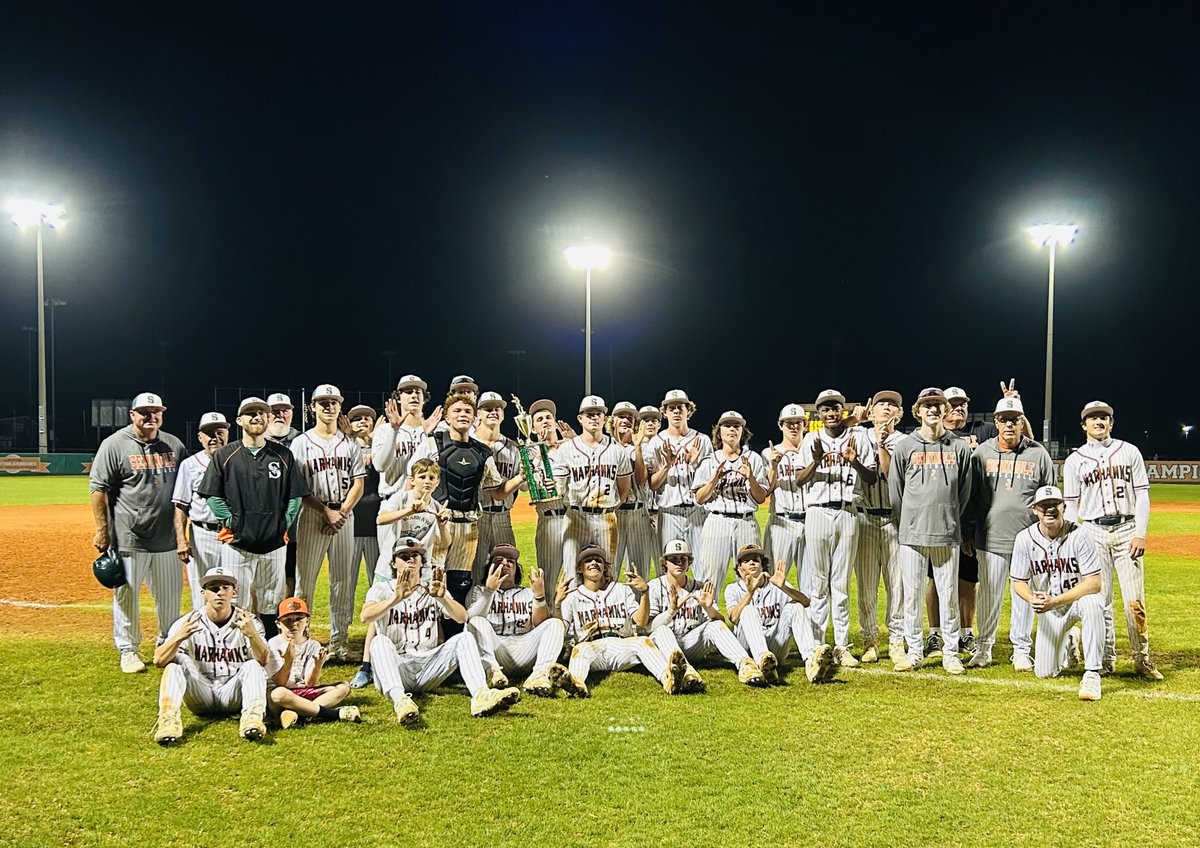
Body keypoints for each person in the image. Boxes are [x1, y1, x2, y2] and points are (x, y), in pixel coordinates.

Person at [362, 537, 521, 724]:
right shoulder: (381, 589)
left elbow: (462, 618)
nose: (411, 559)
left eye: (415, 555)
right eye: (404, 556)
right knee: (379, 642)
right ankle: (401, 702)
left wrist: (442, 599)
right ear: (393, 563)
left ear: (422, 562)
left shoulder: (433, 589)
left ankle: (481, 695)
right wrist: (395, 599)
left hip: (428, 666)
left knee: (464, 638)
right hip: (397, 668)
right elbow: (365, 616)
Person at [90, 391, 187, 673]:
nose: (150, 416)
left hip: (167, 538)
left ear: (162, 414)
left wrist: (183, 533)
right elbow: (98, 490)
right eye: (144, 412)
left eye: (155, 411)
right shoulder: (115, 445)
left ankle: (167, 645)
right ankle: (128, 650)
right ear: (132, 415)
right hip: (129, 537)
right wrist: (102, 530)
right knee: (126, 596)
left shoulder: (174, 444)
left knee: (170, 598)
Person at [1063, 400, 1161, 680]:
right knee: (1100, 601)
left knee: (1134, 601)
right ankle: (1106, 660)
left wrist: (1140, 533)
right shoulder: (1075, 460)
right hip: (1092, 531)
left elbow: (1142, 495)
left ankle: (1142, 659)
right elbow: (1071, 505)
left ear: (1111, 423)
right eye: (1092, 418)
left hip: (1127, 528)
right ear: (1084, 425)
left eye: (1104, 417)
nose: (1098, 421)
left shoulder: (1129, 451)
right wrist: (1074, 537)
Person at [199, 397, 309, 640]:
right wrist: (232, 522)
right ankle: (235, 648)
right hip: (238, 543)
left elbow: (295, 496)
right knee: (238, 599)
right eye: (250, 413)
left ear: (268, 419)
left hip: (274, 542)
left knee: (272, 598)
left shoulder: (283, 455)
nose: (257, 417)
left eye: (261, 413)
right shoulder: (225, 455)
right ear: (239, 420)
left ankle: (270, 647)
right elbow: (212, 494)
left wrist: (283, 524)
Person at [888, 388, 974, 675]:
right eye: (927, 405)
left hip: (946, 532)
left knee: (948, 594)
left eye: (938, 405)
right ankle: (914, 651)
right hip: (911, 534)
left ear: (945, 410)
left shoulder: (959, 447)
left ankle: (951, 652)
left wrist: (949, 517)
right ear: (918, 410)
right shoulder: (904, 447)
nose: (933, 410)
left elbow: (964, 491)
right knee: (910, 594)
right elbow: (896, 493)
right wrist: (908, 520)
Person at [795, 389, 878, 668]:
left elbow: (872, 478)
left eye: (835, 408)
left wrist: (854, 460)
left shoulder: (860, 437)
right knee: (818, 585)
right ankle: (818, 647)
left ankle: (842, 647)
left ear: (842, 411)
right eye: (826, 409)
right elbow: (798, 480)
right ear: (819, 413)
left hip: (847, 512)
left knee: (840, 585)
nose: (831, 413)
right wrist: (816, 460)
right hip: (817, 512)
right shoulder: (810, 439)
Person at [970, 396, 1055, 669]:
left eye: (1015, 419)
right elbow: (971, 497)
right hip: (990, 537)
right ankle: (983, 648)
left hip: (1028, 540)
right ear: (996, 422)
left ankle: (1021, 649)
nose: (1009, 424)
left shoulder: (1038, 453)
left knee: (1024, 596)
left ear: (1022, 422)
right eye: (1004, 419)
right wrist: (968, 532)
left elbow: (1050, 496)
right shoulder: (981, 453)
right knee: (989, 595)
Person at [352, 457, 451, 690]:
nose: (427, 481)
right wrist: (408, 510)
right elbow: (380, 518)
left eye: (432, 478)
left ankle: (432, 660)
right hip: (390, 565)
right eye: (422, 477)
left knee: (430, 610)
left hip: (420, 567)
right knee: (379, 613)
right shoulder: (399, 498)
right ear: (412, 479)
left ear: (437, 482)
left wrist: (444, 523)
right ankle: (366, 666)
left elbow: (445, 542)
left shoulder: (436, 506)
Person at [151, 566, 273, 745]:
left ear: (234, 592)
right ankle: (168, 723)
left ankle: (252, 720)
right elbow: (158, 660)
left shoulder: (249, 621)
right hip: (201, 692)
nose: (220, 593)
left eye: (226, 588)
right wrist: (178, 637)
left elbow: (263, 660)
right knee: (175, 664)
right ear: (203, 593)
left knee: (252, 666)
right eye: (214, 588)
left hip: (232, 693)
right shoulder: (188, 622)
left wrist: (252, 634)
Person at [290, 384, 367, 660]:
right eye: (322, 402)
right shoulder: (300, 442)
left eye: (333, 402)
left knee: (343, 582)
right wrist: (326, 512)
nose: (327, 406)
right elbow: (299, 486)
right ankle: (302, 641)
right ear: (312, 407)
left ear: (339, 405)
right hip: (312, 515)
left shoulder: (350, 443)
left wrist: (341, 512)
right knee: (304, 582)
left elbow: (359, 482)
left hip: (344, 516)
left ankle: (339, 641)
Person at [411, 391, 506, 612]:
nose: (463, 415)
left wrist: (524, 475)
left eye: (468, 411)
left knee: (460, 580)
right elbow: (413, 481)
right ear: (447, 417)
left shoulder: (482, 452)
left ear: (474, 418)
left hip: (468, 524)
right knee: (431, 575)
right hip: (438, 521)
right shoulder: (433, 444)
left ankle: (456, 633)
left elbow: (497, 491)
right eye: (457, 411)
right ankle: (431, 632)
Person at [1010, 486, 1106, 701]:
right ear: (1035, 509)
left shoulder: (1080, 534)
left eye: (1055, 505)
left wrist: (1055, 601)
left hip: (1076, 601)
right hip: (1050, 609)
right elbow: (1018, 581)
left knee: (1093, 604)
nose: (1050, 510)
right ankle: (1070, 639)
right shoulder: (1024, 539)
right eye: (1044, 505)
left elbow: (1094, 583)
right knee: (1045, 672)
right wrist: (1032, 598)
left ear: (1064, 507)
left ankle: (1092, 673)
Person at [557, 545, 687, 697]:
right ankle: (576, 685)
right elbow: (561, 630)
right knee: (580, 650)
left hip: (621, 645)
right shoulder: (572, 597)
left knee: (642, 642)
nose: (594, 563)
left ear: (605, 567)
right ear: (580, 569)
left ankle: (669, 679)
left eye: (598, 560)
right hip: (591, 647)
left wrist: (644, 593)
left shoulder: (621, 590)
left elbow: (641, 622)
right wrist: (558, 604)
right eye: (588, 560)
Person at [646, 540, 767, 690]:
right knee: (662, 631)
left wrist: (708, 608)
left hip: (689, 643)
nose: (679, 563)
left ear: (689, 562)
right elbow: (649, 627)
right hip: (663, 646)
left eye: (683, 558)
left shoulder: (700, 587)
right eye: (673, 559)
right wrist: (671, 611)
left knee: (714, 625)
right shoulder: (654, 586)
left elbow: (720, 622)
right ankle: (686, 671)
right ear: (665, 563)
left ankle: (745, 665)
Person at [465, 544, 571, 696]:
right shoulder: (478, 591)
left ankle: (539, 675)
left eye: (510, 561)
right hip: (495, 650)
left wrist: (539, 596)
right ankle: (492, 672)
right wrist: (489, 592)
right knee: (476, 621)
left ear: (516, 569)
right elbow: (469, 620)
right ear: (490, 567)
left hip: (524, 648)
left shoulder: (528, 593)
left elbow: (540, 624)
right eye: (499, 560)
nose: (505, 563)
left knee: (555, 623)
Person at [723, 544, 836, 684]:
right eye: (746, 561)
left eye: (755, 559)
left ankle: (811, 660)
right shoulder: (733, 589)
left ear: (762, 564)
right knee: (747, 610)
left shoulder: (776, 585)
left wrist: (783, 587)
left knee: (795, 607)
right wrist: (750, 592)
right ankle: (761, 660)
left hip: (775, 648)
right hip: (747, 649)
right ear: (740, 568)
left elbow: (806, 602)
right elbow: (733, 618)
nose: (752, 562)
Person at [851, 391, 906, 664]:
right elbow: (831, 430)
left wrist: (882, 442)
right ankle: (870, 640)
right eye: (882, 404)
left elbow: (888, 475)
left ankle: (897, 640)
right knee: (866, 586)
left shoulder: (905, 442)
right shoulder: (858, 436)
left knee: (898, 586)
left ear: (900, 414)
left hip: (894, 520)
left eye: (893, 405)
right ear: (871, 411)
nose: (887, 408)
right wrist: (853, 419)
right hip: (865, 518)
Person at [554, 395, 633, 581]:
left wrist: (610, 509)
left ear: (605, 418)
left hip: (607, 519)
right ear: (580, 418)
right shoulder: (566, 449)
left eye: (599, 413)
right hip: (576, 516)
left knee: (607, 574)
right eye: (589, 414)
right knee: (571, 575)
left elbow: (624, 490)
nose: (594, 418)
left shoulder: (617, 450)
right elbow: (559, 489)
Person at [692, 410, 769, 589]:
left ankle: (748, 616)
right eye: (727, 425)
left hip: (746, 522)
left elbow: (760, 497)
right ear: (719, 431)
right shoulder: (709, 460)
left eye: (737, 426)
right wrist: (714, 479)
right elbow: (700, 498)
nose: (732, 429)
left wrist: (750, 478)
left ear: (743, 431)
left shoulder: (753, 459)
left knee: (751, 578)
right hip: (716, 521)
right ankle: (712, 617)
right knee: (710, 578)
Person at [371, 375, 440, 574]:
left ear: (424, 398)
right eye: (407, 391)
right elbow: (380, 466)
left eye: (418, 391)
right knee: (387, 567)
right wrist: (394, 430)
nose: (413, 395)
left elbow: (428, 470)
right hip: (392, 504)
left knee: (419, 567)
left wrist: (426, 435)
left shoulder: (431, 432)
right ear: (398, 398)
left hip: (421, 506)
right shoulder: (385, 430)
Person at [267, 596, 361, 728]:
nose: (294, 624)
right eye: (288, 620)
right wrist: (288, 661)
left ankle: (297, 714)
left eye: (299, 619)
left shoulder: (313, 645)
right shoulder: (273, 644)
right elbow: (280, 683)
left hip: (303, 692)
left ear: (307, 622)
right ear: (278, 623)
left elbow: (309, 683)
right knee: (279, 694)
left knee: (344, 687)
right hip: (281, 695)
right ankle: (332, 714)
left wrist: (318, 665)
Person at [172, 411, 231, 610]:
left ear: (228, 434)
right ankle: (201, 638)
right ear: (200, 437)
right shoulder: (189, 465)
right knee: (202, 590)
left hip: (233, 534)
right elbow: (180, 505)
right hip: (202, 534)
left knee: (235, 587)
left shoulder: (238, 460)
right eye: (208, 433)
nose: (215, 437)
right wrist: (181, 540)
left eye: (219, 431)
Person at [647, 389, 712, 556]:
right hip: (669, 513)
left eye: (680, 407)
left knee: (702, 567)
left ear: (688, 410)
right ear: (665, 413)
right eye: (671, 408)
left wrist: (695, 463)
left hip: (697, 512)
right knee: (669, 567)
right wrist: (667, 466)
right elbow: (653, 485)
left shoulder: (702, 440)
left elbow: (710, 483)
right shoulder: (656, 442)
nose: (676, 411)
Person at [472, 392, 525, 583]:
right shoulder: (468, 444)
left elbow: (526, 487)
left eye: (497, 408)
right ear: (478, 413)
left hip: (504, 517)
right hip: (476, 517)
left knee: (506, 573)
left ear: (503, 415)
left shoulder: (514, 448)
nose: (493, 412)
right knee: (475, 573)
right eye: (487, 408)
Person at [762, 403, 809, 591]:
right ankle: (771, 620)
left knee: (810, 582)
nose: (793, 426)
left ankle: (807, 621)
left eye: (797, 422)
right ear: (780, 425)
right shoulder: (768, 453)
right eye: (788, 422)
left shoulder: (813, 451)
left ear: (804, 424)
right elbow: (766, 490)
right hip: (781, 521)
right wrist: (773, 467)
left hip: (810, 521)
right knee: (772, 579)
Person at [612, 401, 659, 581]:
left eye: (630, 417)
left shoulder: (642, 448)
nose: (626, 420)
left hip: (638, 513)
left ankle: (641, 608)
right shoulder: (606, 446)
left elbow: (640, 481)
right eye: (622, 416)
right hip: (614, 514)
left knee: (639, 572)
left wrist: (637, 448)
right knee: (611, 569)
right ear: (613, 420)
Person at [527, 398, 569, 592]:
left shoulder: (569, 448)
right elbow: (524, 488)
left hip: (573, 517)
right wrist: (538, 456)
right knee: (549, 578)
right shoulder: (530, 452)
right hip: (548, 521)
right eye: (539, 419)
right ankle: (549, 619)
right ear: (533, 428)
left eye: (548, 417)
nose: (545, 421)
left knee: (575, 575)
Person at [265, 392, 302, 597]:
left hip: (294, 521)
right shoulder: (255, 441)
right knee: (261, 574)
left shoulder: (303, 440)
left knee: (290, 571)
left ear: (291, 413)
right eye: (274, 411)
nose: (279, 415)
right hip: (263, 522)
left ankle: (288, 617)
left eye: (284, 411)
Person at [346, 404, 381, 592]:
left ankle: (378, 621)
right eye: (357, 419)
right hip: (351, 523)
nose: (363, 422)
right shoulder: (343, 448)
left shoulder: (382, 447)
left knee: (377, 581)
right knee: (346, 581)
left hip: (376, 523)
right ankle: (341, 623)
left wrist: (377, 444)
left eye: (367, 418)